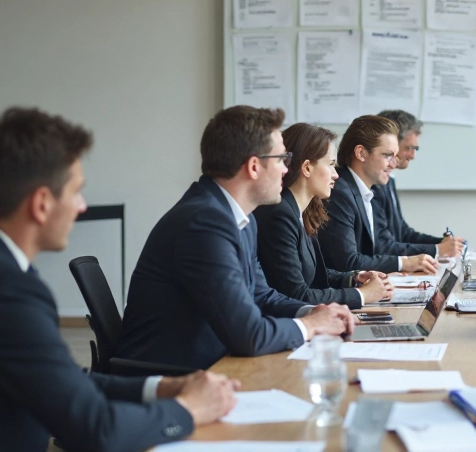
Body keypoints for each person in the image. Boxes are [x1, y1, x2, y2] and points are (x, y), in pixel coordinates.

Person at [0, 107, 240, 452]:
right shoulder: (6, 291)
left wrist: (161, 387)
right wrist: (190, 409)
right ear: (42, 203)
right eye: (76, 192)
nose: (81, 207)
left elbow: (60, 381)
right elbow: (98, 430)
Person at [117, 106, 356, 370]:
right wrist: (310, 326)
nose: (286, 170)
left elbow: (262, 295)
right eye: (281, 160)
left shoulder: (240, 216)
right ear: (254, 166)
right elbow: (249, 335)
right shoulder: (204, 223)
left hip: (214, 365)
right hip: (174, 379)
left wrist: (312, 312)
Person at [255, 123, 393, 309]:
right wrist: (362, 295)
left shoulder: (302, 210)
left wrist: (353, 278)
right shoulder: (279, 216)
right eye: (330, 165)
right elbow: (297, 294)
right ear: (307, 168)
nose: (336, 175)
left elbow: (314, 273)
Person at [317, 115, 437, 274]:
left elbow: (375, 248)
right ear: (361, 153)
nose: (393, 164)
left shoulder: (364, 192)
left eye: (395, 156)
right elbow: (347, 262)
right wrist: (403, 263)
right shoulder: (340, 193)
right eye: (387, 155)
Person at [374, 109, 465, 258]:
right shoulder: (372, 185)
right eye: (409, 148)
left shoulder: (388, 181)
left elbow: (402, 233)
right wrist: (438, 249)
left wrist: (442, 243)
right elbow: (382, 245)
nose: (412, 156)